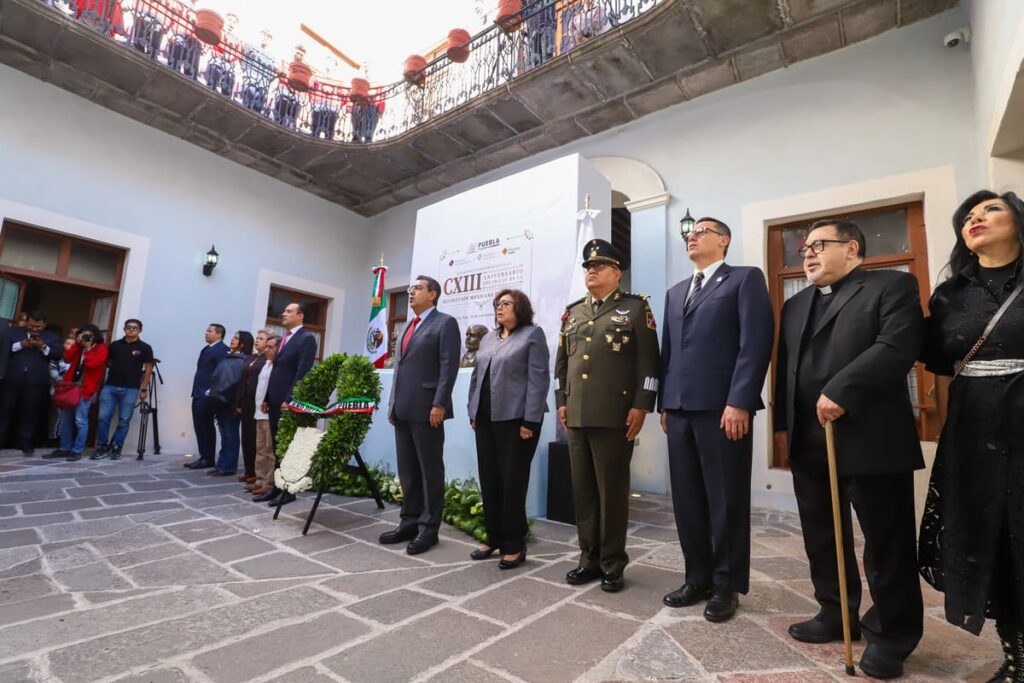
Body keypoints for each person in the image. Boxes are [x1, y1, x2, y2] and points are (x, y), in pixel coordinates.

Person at [774, 219, 924, 679]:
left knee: (886, 541)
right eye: (805, 249)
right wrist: (784, 426)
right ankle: (835, 613)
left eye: (820, 245)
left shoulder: (891, 286)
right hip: (811, 438)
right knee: (822, 534)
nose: (809, 254)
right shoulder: (797, 303)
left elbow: (898, 346)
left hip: (871, 435)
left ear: (852, 248)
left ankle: (892, 634)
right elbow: (787, 370)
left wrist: (843, 389)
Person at [918, 190, 1024, 681]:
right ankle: (1017, 660)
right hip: (972, 434)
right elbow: (940, 365)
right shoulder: (950, 294)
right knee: (993, 542)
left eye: (991, 210)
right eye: (968, 217)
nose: (976, 219)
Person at [659, 217, 774, 622]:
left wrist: (740, 400)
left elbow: (755, 343)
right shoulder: (675, 293)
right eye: (689, 233)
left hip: (724, 410)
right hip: (679, 410)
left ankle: (726, 585)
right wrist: (664, 405)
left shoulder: (744, 280)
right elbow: (668, 354)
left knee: (725, 499)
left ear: (724, 241)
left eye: (702, 231)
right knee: (687, 498)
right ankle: (697, 577)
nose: (692, 235)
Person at [555, 239, 660, 592]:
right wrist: (561, 400)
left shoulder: (634, 309)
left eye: (599, 266)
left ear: (616, 273)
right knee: (583, 492)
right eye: (588, 267)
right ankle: (588, 558)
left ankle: (613, 563)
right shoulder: (573, 313)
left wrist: (642, 405)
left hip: (615, 416)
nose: (591, 271)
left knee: (612, 492)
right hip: (577, 415)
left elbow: (649, 363)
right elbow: (563, 364)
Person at [467, 289, 549, 569]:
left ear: (520, 307)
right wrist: (472, 409)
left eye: (506, 304)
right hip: (486, 419)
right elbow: (477, 376)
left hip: (517, 422)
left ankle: (514, 544)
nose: (499, 309)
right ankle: (494, 538)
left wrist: (530, 421)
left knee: (512, 484)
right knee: (489, 480)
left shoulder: (532, 335)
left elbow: (538, 380)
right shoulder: (489, 338)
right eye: (496, 305)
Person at [379, 276, 461, 555]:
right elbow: (400, 370)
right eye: (409, 288)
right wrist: (392, 406)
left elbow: (448, 368)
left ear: (433, 295)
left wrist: (439, 404)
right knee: (408, 472)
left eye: (417, 288)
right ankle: (409, 522)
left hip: (428, 410)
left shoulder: (445, 323)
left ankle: (429, 529)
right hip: (403, 409)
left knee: (429, 471)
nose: (410, 292)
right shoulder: (406, 327)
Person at [262, 303, 318, 505]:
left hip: (288, 402)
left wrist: (289, 399)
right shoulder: (284, 337)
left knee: (286, 446)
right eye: (283, 310)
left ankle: (288, 491)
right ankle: (276, 488)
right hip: (275, 399)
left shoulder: (306, 339)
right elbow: (277, 369)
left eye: (288, 311)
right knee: (277, 445)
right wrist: (268, 397)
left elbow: (301, 372)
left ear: (300, 315)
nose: (283, 314)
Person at [0, 310, 62, 455]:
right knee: (5, 411)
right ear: (27, 322)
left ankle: (26, 443)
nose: (34, 329)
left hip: (36, 381)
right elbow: (4, 349)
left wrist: (43, 347)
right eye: (32, 325)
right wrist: (21, 344)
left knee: (30, 413)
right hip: (12, 378)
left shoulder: (51, 337)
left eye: (38, 327)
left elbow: (58, 354)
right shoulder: (13, 332)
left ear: (44, 325)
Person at [92, 319, 154, 460]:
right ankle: (102, 446)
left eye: (135, 328)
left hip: (131, 388)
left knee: (124, 420)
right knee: (103, 418)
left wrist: (144, 389)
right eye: (128, 327)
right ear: (124, 328)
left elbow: (148, 369)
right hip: (110, 386)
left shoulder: (145, 347)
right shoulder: (114, 345)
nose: (131, 330)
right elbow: (106, 362)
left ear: (140, 330)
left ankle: (116, 447)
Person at [53, 325, 109, 462]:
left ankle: (77, 450)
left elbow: (93, 365)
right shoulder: (79, 348)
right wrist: (78, 345)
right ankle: (64, 448)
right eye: (83, 335)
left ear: (95, 335)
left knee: (80, 421)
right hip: (70, 388)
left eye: (88, 335)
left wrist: (89, 348)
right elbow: (67, 357)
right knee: (66, 420)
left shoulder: (101, 349)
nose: (86, 337)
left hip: (86, 390)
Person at [207, 331, 253, 476]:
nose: (232, 340)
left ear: (243, 344)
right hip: (219, 401)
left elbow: (238, 383)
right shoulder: (227, 357)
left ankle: (228, 466)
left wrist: (237, 403)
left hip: (232, 403)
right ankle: (221, 463)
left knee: (230, 434)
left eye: (236, 338)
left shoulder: (244, 361)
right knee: (224, 434)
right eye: (233, 337)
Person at [185, 323, 229, 470]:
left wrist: (212, 391)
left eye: (210, 331)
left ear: (219, 334)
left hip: (207, 394)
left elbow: (221, 372)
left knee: (205, 426)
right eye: (206, 330)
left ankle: (208, 457)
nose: (206, 333)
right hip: (198, 391)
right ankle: (204, 455)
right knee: (200, 425)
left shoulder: (222, 350)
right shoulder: (206, 349)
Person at [236, 329, 269, 486]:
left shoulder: (267, 360)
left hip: (258, 403)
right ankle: (249, 470)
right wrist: (239, 401)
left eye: (261, 339)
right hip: (246, 402)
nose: (257, 341)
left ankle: (257, 473)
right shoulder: (251, 358)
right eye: (257, 338)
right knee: (246, 436)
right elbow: (242, 380)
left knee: (257, 440)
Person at [251, 334, 279, 499]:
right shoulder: (266, 364)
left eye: (271, 347)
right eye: (266, 347)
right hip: (259, 412)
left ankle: (269, 483)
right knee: (260, 448)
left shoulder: (277, 365)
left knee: (269, 449)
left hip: (269, 413)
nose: (267, 350)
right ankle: (259, 479)